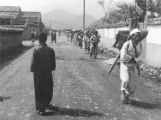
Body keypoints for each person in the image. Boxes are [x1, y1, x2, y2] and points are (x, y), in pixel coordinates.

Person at [30, 32, 57, 115]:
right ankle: (47, 103)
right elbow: (53, 66)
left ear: (39, 40)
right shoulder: (51, 50)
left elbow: (33, 64)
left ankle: (41, 108)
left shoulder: (36, 50)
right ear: (46, 39)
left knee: (39, 89)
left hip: (38, 74)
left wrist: (33, 70)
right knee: (48, 88)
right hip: (48, 73)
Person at [120, 28, 142, 104]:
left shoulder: (139, 45)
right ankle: (123, 91)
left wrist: (137, 61)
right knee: (126, 79)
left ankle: (128, 94)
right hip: (126, 64)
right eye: (135, 36)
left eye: (138, 36)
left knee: (134, 80)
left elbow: (140, 56)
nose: (137, 37)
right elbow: (123, 55)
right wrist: (131, 58)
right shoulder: (127, 44)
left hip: (134, 64)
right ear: (132, 36)